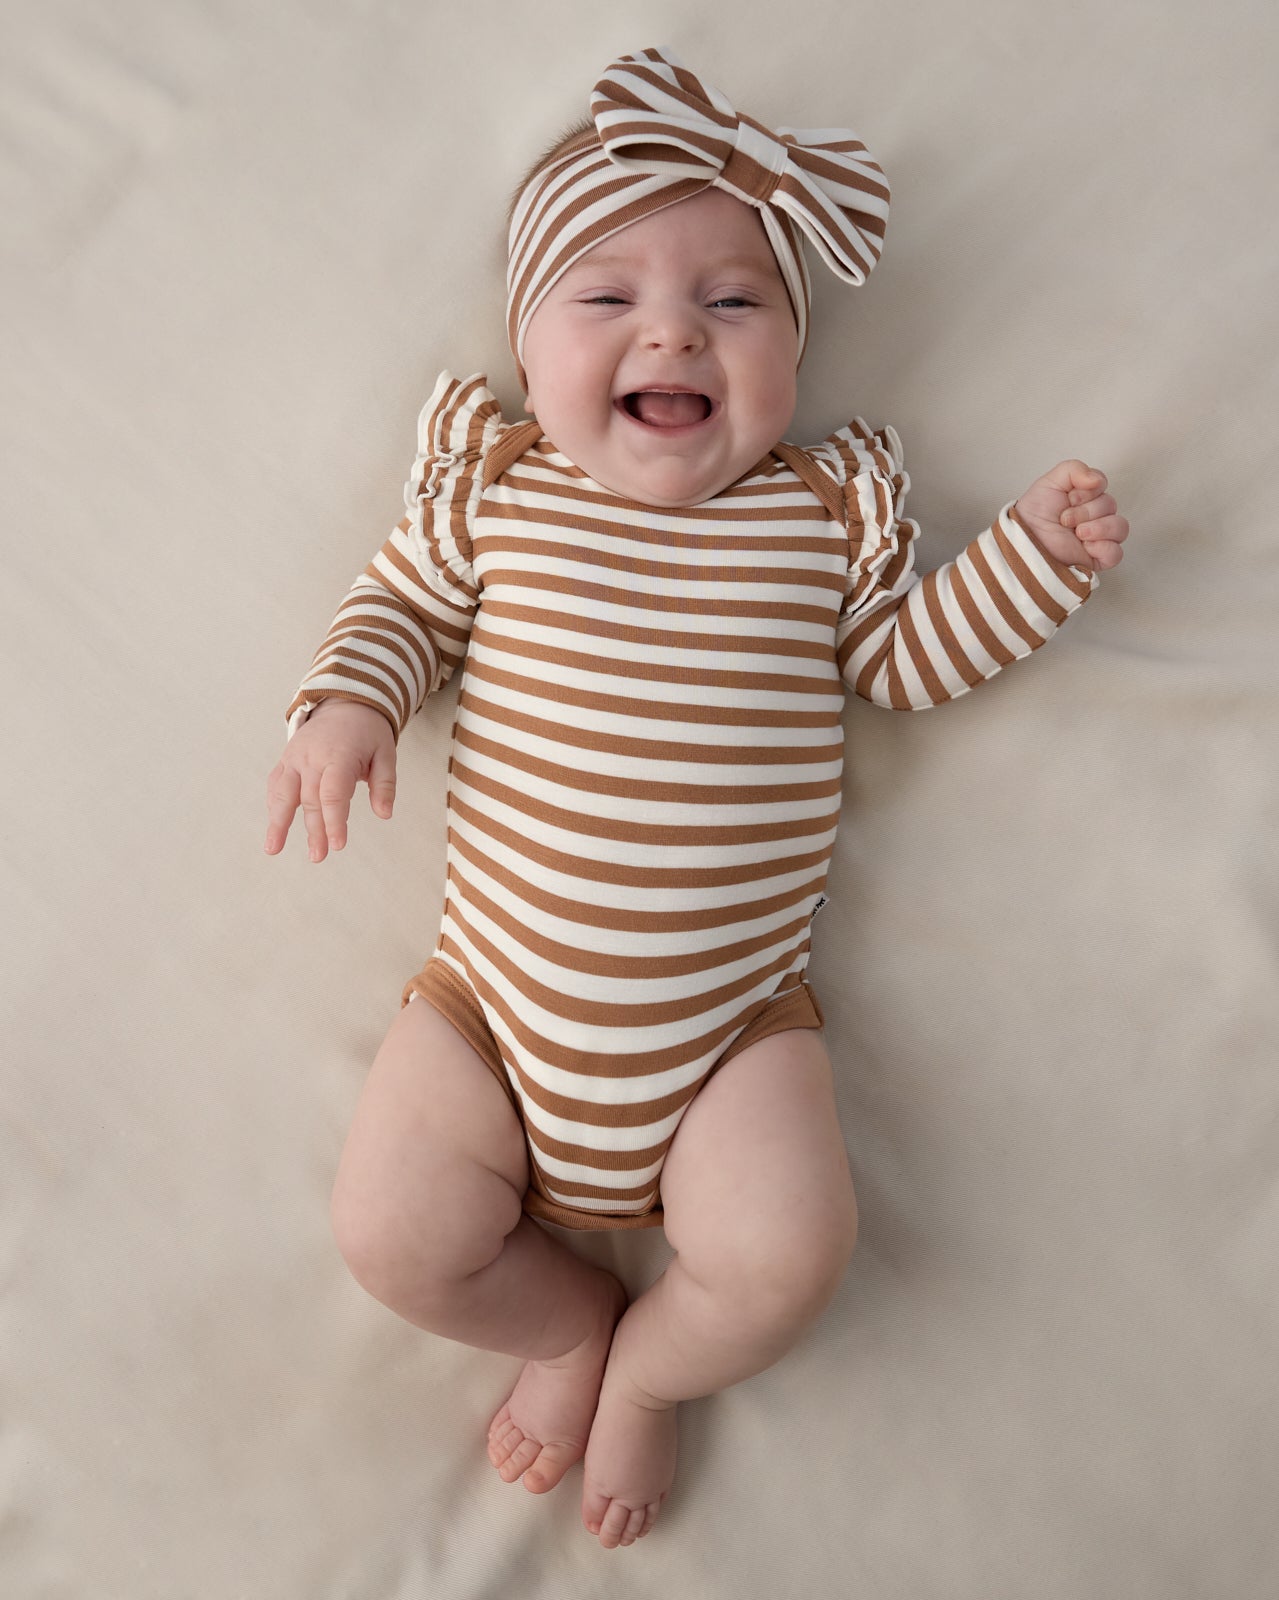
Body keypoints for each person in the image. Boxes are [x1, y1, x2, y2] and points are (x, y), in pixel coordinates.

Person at [263, 47, 1129, 1550]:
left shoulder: (818, 518)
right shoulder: (502, 496)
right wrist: (348, 704)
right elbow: (399, 608)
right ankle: (564, 1325)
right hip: (490, 1016)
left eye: (734, 303)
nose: (672, 328)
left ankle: (653, 1369)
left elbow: (907, 662)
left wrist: (1027, 565)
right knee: (389, 1232)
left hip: (732, 1039)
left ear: (792, 354)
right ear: (527, 346)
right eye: (606, 297)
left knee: (791, 1255)